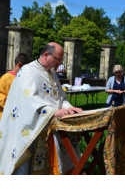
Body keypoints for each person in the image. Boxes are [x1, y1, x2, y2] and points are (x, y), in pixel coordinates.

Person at [0, 42, 83, 175]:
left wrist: (69, 108)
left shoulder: (52, 74)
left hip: (48, 128)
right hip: (32, 129)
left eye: (61, 60)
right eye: (58, 60)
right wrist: (53, 111)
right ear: (46, 55)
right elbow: (28, 99)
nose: (59, 64)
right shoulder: (28, 71)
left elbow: (60, 98)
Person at [0, 53, 32, 120]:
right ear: (19, 65)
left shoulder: (24, 78)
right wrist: (13, 104)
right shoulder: (5, 78)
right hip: (5, 116)